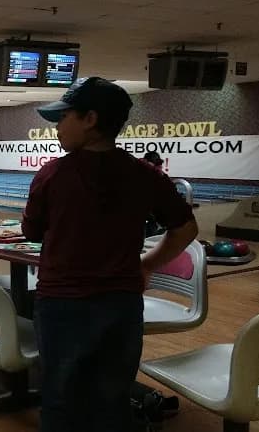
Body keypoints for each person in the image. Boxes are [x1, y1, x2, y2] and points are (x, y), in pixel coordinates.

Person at [22, 77, 198, 432]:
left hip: (63, 306)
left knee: (60, 399)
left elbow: (32, 232)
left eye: (63, 117)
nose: (57, 127)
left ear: (90, 119)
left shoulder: (52, 175)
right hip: (121, 305)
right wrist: (148, 265)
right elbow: (187, 229)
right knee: (112, 402)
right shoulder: (144, 174)